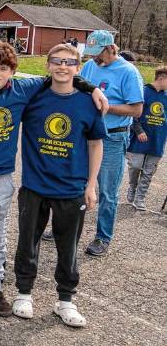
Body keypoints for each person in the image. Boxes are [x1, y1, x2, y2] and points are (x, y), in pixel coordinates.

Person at [0, 42, 106, 317]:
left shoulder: (21, 91)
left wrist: (92, 88)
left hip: (1, 178)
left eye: (3, 68)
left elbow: (61, 73)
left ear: (12, 71)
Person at [12, 43, 105, 327]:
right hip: (35, 185)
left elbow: (95, 144)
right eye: (57, 61)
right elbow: (0, 84)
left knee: (68, 247)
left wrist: (91, 185)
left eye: (69, 62)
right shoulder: (33, 96)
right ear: (48, 65)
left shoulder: (88, 102)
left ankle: (65, 300)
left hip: (71, 187)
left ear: (78, 68)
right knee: (28, 242)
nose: (62, 67)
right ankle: (24, 293)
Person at [79, 30, 143, 256]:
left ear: (111, 48)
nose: (95, 58)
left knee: (107, 190)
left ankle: (102, 237)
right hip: (85, 134)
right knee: (76, 183)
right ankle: (67, 226)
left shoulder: (128, 72)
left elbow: (136, 109)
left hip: (113, 136)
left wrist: (106, 106)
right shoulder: (89, 67)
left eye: (99, 53)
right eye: (92, 53)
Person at [126, 67, 167, 210]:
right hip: (140, 138)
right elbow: (133, 113)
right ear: (161, 78)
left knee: (149, 171)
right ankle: (132, 188)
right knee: (136, 166)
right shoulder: (143, 91)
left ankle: (140, 198)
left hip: (158, 139)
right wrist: (138, 130)